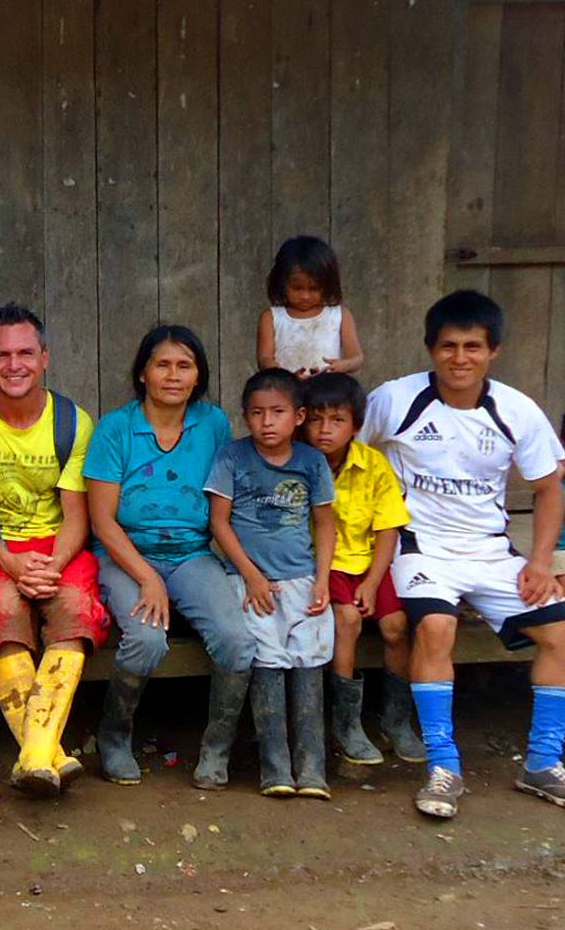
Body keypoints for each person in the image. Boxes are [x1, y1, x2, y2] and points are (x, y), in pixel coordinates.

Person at [362, 289, 565, 821]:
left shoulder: (517, 409)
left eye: (472, 346)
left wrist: (540, 561)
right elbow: (349, 455)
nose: (459, 358)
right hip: (419, 547)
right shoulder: (394, 400)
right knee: (435, 628)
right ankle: (443, 766)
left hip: (491, 551)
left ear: (493, 350)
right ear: (430, 349)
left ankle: (543, 762)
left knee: (561, 636)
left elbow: (549, 487)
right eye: (448, 346)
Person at [0, 304, 109, 796]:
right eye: (3, 355)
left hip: (57, 547)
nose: (14, 365)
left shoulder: (71, 421)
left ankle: (35, 754)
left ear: (45, 358)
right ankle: (48, 754)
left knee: (76, 609)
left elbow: (77, 516)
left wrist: (52, 565)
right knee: (1, 611)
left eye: (25, 354)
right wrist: (11, 562)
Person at [83, 326, 253, 788]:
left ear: (198, 376)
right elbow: (102, 521)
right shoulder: (116, 429)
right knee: (147, 639)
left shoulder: (213, 424)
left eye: (184, 366)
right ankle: (114, 738)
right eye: (162, 364)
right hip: (124, 555)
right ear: (142, 373)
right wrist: (147, 578)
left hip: (191, 555)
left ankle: (217, 751)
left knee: (237, 640)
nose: (173, 375)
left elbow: (223, 500)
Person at [207, 370, 337, 799]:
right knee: (267, 662)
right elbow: (219, 522)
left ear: (298, 416)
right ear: (244, 417)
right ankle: (275, 768)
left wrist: (322, 580)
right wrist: (251, 575)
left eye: (278, 412)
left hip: (301, 579)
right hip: (249, 582)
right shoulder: (232, 457)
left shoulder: (311, 462)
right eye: (257, 413)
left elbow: (324, 522)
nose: (267, 422)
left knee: (308, 662)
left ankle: (313, 769)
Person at [300, 371, 425, 766]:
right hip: (323, 564)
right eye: (316, 420)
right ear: (302, 419)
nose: (325, 430)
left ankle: (396, 719)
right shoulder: (298, 463)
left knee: (395, 626)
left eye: (337, 420)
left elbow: (388, 528)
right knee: (348, 621)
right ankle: (346, 724)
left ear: (356, 425)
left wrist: (373, 582)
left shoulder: (372, 465)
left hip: (367, 563)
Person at [257, 235, 363, 380]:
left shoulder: (340, 315)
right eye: (297, 288)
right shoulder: (272, 318)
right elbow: (264, 358)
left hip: (327, 390)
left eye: (314, 288)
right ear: (282, 283)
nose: (305, 296)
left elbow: (356, 357)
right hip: (288, 391)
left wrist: (341, 366)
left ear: (327, 285)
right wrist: (285, 375)